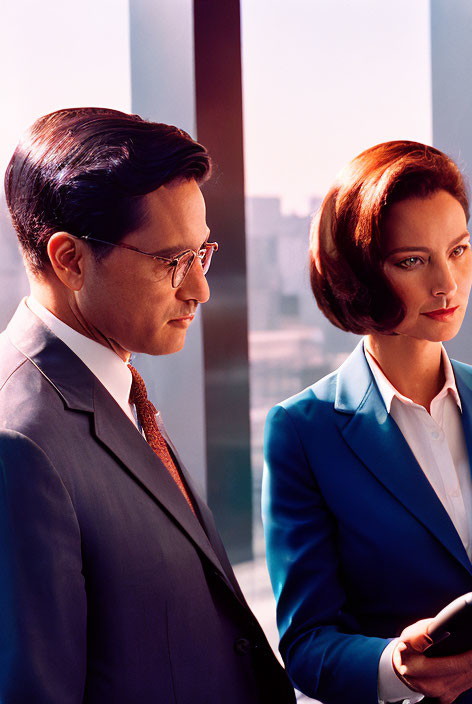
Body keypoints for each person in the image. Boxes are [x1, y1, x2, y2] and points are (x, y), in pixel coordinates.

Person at [263, 140, 472, 704]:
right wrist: (395, 667)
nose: (447, 284)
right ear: (359, 274)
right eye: (413, 260)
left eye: (458, 250)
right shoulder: (303, 430)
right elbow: (307, 646)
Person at [0, 108, 295, 703]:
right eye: (171, 263)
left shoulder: (110, 388)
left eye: (201, 254)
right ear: (70, 259)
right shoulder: (20, 443)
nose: (200, 289)